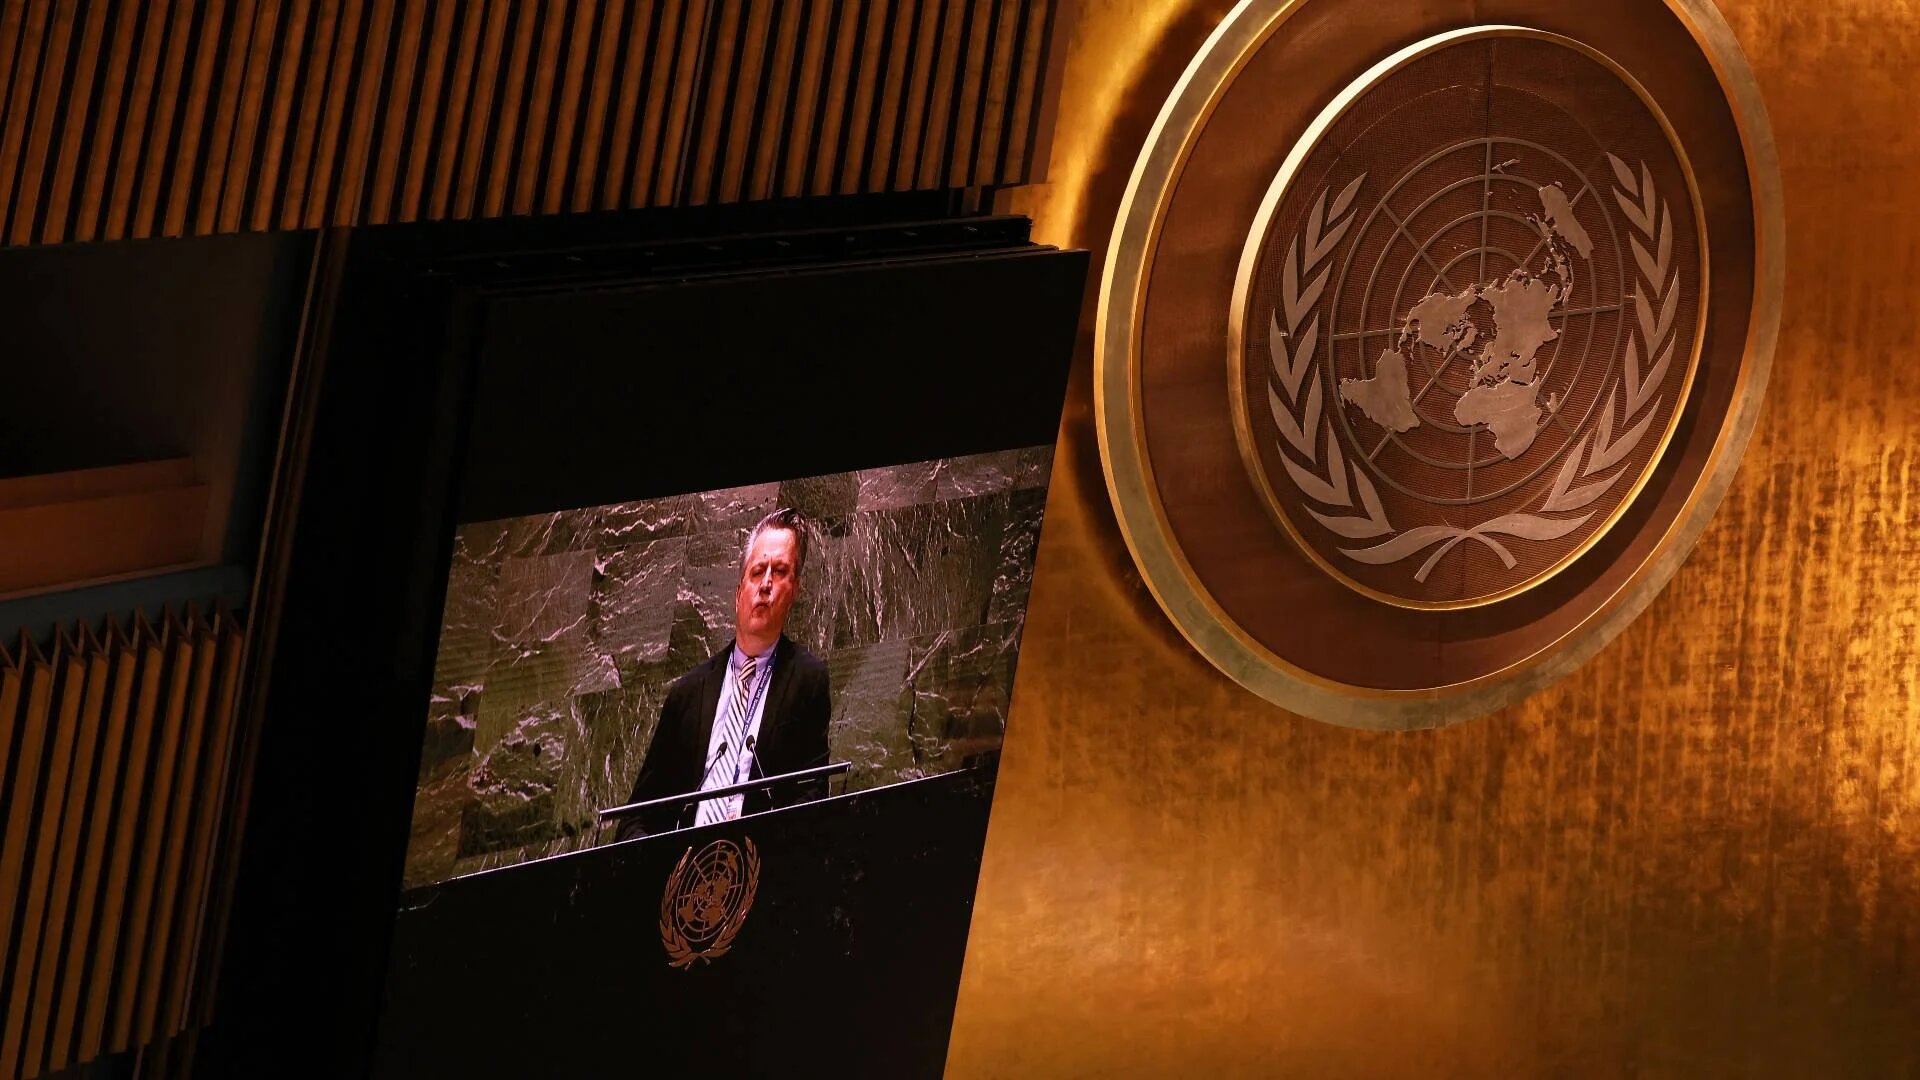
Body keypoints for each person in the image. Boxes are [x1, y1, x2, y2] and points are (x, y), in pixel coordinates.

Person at [614, 508, 831, 840]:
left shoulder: (808, 681)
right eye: (758, 571)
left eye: (780, 571)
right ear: (738, 592)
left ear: (795, 590)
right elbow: (637, 815)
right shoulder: (687, 693)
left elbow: (813, 797)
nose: (767, 583)